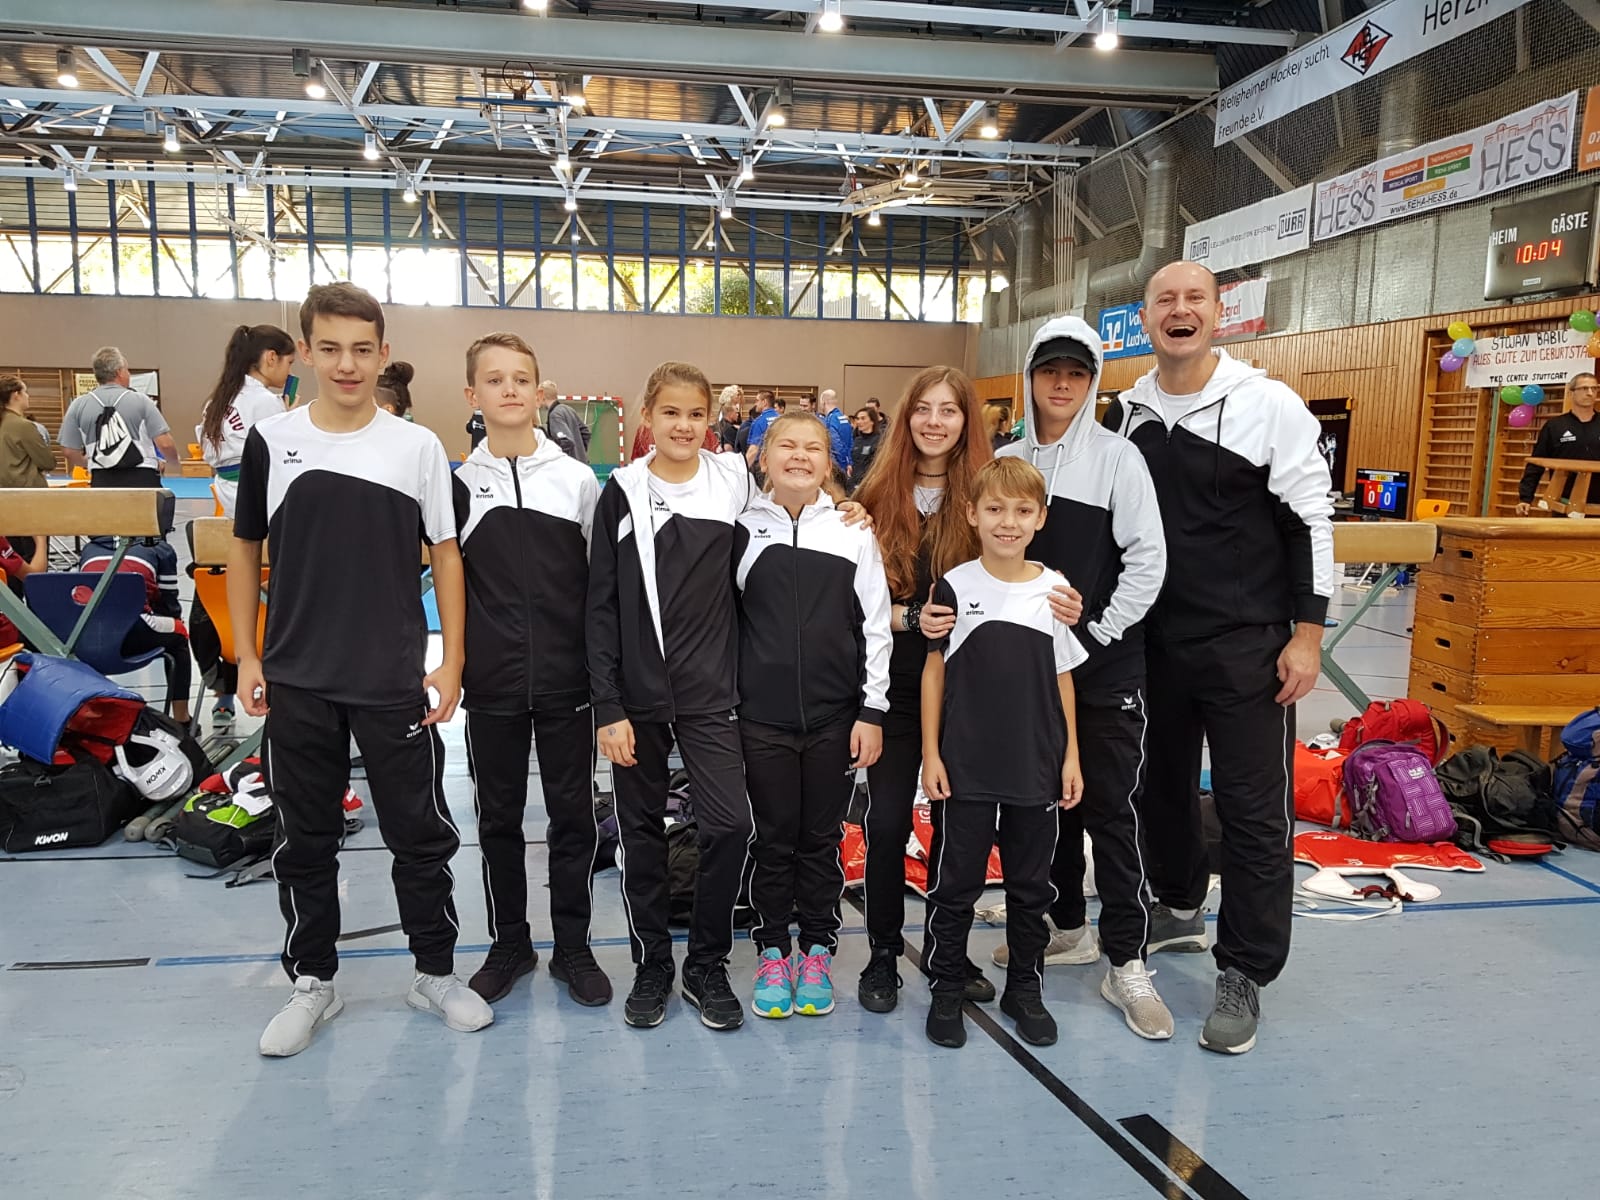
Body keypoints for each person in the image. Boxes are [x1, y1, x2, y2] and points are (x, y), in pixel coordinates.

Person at [229, 281, 488, 1058]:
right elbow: (245, 549)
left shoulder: (415, 447)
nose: (348, 364)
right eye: (332, 348)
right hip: (299, 676)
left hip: (391, 677)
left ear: (383, 354)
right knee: (304, 840)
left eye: (362, 350)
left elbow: (447, 554)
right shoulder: (271, 440)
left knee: (420, 835)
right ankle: (314, 981)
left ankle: (434, 973)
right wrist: (247, 653)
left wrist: (452, 659)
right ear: (306, 352)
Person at [1113, 260, 1334, 1056]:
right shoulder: (1128, 412)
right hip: (1155, 644)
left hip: (1249, 647)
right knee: (1159, 790)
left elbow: (1311, 520)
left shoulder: (1266, 404)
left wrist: (1308, 634)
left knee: (1251, 812)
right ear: (1146, 318)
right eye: (1164, 300)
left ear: (1217, 313)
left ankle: (1244, 967)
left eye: (1194, 298)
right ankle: (1178, 905)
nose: (1180, 310)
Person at [993, 317, 1174, 1040]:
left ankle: (1127, 959)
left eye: (1076, 372)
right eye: (1050, 370)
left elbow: (1149, 561)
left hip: (1103, 669)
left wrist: (1096, 631)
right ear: (1031, 376)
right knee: (1047, 805)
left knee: (1109, 812)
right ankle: (1067, 925)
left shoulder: (1118, 459)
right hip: (1028, 675)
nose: (1062, 384)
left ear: (1093, 381)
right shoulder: (1008, 460)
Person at [587, 361, 757, 1032]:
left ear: (710, 419)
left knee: (730, 824)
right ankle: (653, 961)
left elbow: (796, 510)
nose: (683, 426)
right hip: (638, 699)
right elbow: (601, 604)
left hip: (712, 693)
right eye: (671, 413)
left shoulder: (734, 481)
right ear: (647, 417)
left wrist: (842, 504)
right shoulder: (623, 491)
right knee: (640, 834)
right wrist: (608, 707)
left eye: (695, 414)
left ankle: (706, 964)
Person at [453, 333, 610, 1007]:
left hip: (567, 681)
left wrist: (601, 674)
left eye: (521, 378)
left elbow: (601, 585)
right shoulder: (458, 487)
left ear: (540, 391)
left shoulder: (576, 481)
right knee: (499, 821)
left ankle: (573, 946)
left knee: (573, 818)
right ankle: (510, 943)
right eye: (495, 380)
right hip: (492, 683)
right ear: (473, 395)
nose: (510, 389)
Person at [920, 457, 1087, 1048]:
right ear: (972, 514)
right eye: (994, 509)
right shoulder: (954, 586)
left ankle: (1024, 987)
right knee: (955, 883)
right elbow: (934, 672)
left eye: (1021, 511)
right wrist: (931, 753)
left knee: (1031, 886)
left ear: (1040, 517)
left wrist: (1070, 756)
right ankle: (946, 987)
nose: (1007, 522)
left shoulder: (1055, 589)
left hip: (1035, 764)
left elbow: (1063, 676)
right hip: (965, 764)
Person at [735, 410, 891, 1019]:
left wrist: (872, 710)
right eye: (787, 446)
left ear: (831, 463)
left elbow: (876, 626)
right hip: (762, 720)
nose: (799, 457)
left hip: (836, 720)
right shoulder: (740, 528)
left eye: (813, 448)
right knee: (773, 840)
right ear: (763, 456)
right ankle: (774, 950)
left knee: (821, 841)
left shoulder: (853, 531)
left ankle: (818, 949)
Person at [850, 366, 997, 1014]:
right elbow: (850, 604)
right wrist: (909, 617)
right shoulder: (873, 497)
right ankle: (883, 954)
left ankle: (947, 949)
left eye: (949, 410)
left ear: (967, 421)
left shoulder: (986, 495)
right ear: (906, 418)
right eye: (924, 409)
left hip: (966, 692)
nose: (935, 422)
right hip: (895, 689)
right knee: (886, 824)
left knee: (957, 829)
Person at [193, 325, 295, 729]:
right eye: (288, 363)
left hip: (226, 502)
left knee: (219, 589)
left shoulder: (217, 400)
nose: (288, 372)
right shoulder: (265, 403)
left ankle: (222, 693)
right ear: (270, 358)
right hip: (260, 501)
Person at [78, 534, 194, 727]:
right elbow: (169, 602)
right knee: (179, 634)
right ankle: (182, 719)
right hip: (134, 631)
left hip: (88, 638)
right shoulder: (160, 549)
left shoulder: (88, 550)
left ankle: (86, 711)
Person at [59, 347, 179, 488]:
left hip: (101, 477)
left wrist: (87, 462)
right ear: (119, 372)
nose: (129, 374)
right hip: (142, 475)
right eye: (127, 370)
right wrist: (173, 461)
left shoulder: (78, 405)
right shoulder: (142, 401)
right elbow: (165, 444)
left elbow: (69, 451)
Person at [1517, 371, 1599, 514]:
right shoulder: (1555, 426)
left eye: (1594, 388)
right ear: (1571, 393)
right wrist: (1525, 497)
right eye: (1584, 388)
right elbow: (1536, 463)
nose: (1590, 393)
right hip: (1564, 504)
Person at [0, 376, 55, 564]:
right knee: (35, 555)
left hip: (6, 500)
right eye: (25, 392)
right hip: (30, 499)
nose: (28, 396)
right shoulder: (24, 426)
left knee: (11, 558)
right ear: (16, 395)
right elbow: (47, 462)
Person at [539, 379, 591, 463]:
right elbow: (586, 433)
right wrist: (580, 453)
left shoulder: (555, 415)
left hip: (569, 465)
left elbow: (566, 442)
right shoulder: (568, 409)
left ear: (543, 397)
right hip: (580, 463)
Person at [816, 388, 854, 482]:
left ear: (823, 402)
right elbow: (850, 441)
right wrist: (849, 462)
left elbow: (836, 444)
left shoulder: (831, 419)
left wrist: (843, 465)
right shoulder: (843, 418)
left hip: (838, 467)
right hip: (847, 464)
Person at [849, 406, 882, 488]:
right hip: (854, 483)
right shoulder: (857, 440)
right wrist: (850, 466)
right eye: (858, 419)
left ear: (872, 421)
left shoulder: (879, 440)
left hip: (869, 484)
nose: (859, 421)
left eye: (863, 418)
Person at [715, 385, 743, 453]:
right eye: (736, 395)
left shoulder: (735, 408)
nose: (738, 397)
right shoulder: (725, 409)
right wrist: (732, 427)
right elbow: (721, 425)